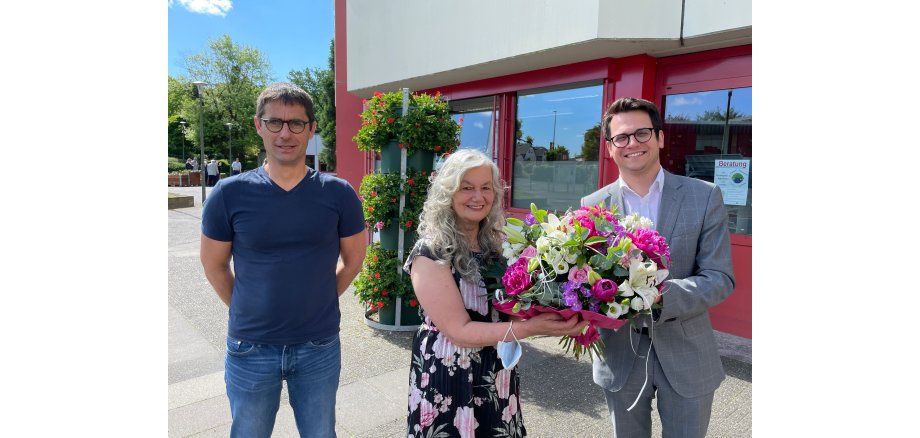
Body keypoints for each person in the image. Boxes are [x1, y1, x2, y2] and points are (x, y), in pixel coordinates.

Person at [200, 82, 367, 438]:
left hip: (318, 346)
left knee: (321, 433)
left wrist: (320, 298)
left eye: (296, 123)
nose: (285, 133)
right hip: (250, 347)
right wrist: (245, 306)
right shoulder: (229, 193)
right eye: (275, 122)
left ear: (311, 128)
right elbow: (214, 265)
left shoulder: (338, 193)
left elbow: (354, 260)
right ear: (258, 125)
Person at [404, 149, 588, 437]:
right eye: (467, 188)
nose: (478, 197)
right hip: (451, 371)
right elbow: (459, 330)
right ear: (448, 193)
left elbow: (513, 305)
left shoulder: (496, 245)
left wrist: (563, 310)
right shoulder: (431, 252)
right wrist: (530, 329)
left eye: (485, 187)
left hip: (495, 369)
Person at [580, 97, 735, 438]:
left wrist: (654, 296)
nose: (632, 143)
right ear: (609, 148)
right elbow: (585, 282)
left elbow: (719, 278)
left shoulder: (704, 196)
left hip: (687, 352)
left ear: (661, 138)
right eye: (621, 137)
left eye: (642, 133)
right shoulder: (592, 208)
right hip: (620, 356)